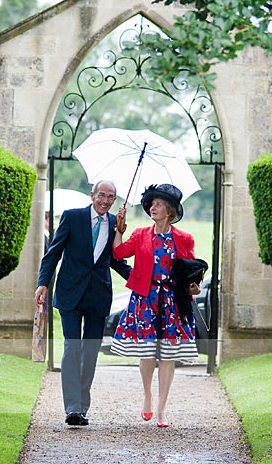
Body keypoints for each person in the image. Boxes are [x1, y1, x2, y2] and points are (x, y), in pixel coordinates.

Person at [35, 180, 131, 427]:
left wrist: (141, 281)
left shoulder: (114, 225)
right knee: (72, 347)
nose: (105, 200)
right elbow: (53, 253)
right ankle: (73, 408)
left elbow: (116, 261)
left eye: (111, 197)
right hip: (70, 292)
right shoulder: (72, 217)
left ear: (114, 201)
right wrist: (43, 283)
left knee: (89, 352)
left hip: (98, 296)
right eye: (101, 195)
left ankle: (82, 405)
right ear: (92, 195)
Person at [109, 183, 201, 428]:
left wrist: (193, 285)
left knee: (168, 355)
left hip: (172, 301)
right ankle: (148, 395)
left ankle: (162, 408)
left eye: (158, 204)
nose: (152, 207)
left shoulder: (184, 239)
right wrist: (120, 227)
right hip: (145, 299)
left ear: (169, 210)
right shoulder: (140, 234)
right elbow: (118, 253)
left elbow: (190, 270)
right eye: (151, 204)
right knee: (147, 352)